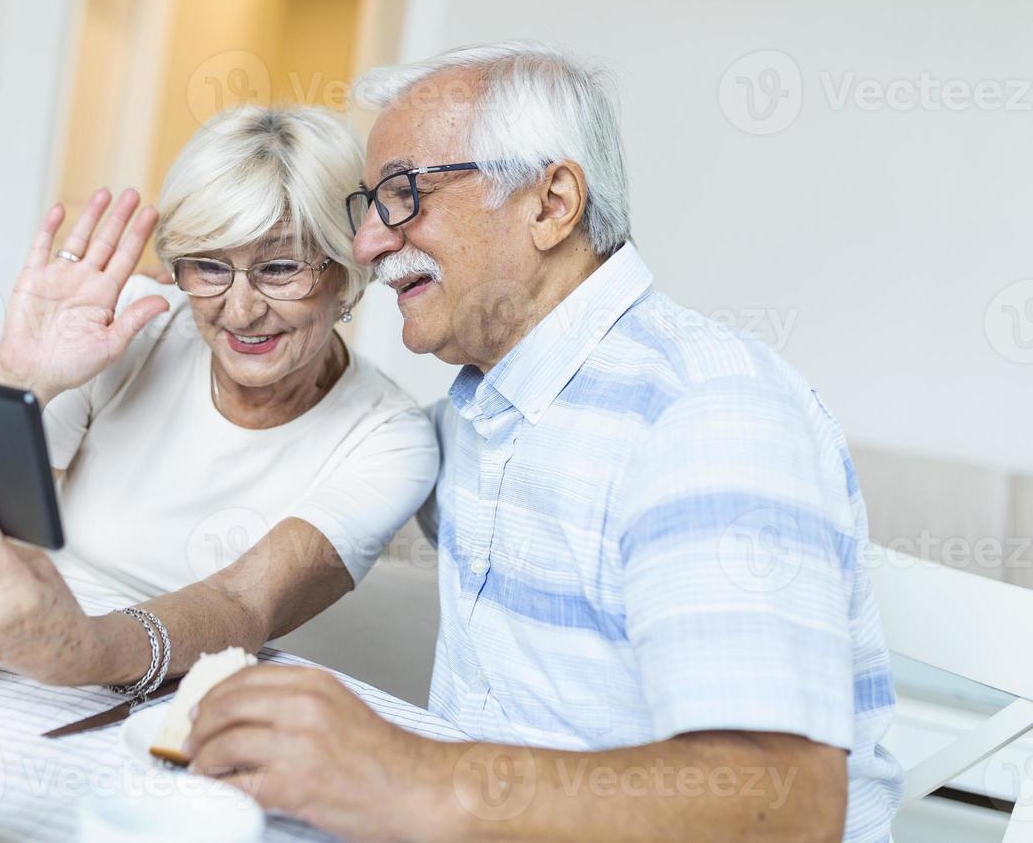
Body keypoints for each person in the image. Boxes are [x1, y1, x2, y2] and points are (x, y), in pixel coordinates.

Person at [181, 41, 903, 842]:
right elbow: (294, 502)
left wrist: (404, 774)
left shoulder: (705, 414)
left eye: (404, 194)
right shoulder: (479, 412)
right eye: (370, 206)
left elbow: (781, 806)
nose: (368, 245)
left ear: (552, 202)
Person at [0, 104, 439, 697]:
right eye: (208, 266)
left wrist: (81, 648)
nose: (241, 310)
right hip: (9, 656)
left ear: (348, 271)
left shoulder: (390, 438)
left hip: (173, 695)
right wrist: (19, 379)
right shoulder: (126, 328)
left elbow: (244, 603)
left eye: (279, 268)